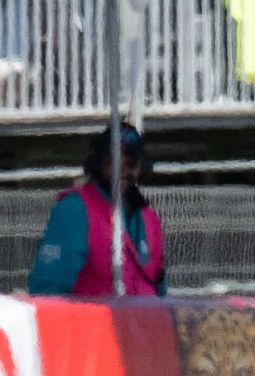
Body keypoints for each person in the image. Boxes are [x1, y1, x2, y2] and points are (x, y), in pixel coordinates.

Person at [29, 127, 167, 296]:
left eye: (130, 164)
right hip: (92, 320)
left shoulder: (148, 219)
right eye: (113, 162)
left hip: (144, 321)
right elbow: (48, 291)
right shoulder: (75, 210)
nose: (122, 171)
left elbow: (160, 290)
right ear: (99, 163)